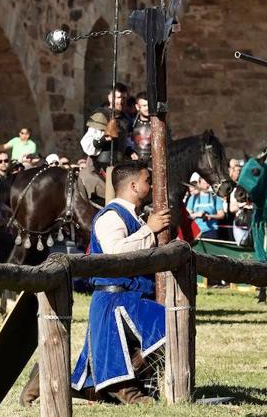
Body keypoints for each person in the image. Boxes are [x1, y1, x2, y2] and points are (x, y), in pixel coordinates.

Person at [28, 162, 170, 406]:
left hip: (132, 297)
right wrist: (149, 230)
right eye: (148, 180)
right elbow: (115, 253)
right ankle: (124, 387)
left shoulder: (135, 217)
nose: (152, 185)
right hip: (115, 300)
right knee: (169, 325)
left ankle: (46, 381)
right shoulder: (111, 216)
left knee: (91, 382)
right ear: (134, 186)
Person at [80, 84, 135, 207]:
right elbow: (87, 144)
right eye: (118, 97)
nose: (120, 101)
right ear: (110, 97)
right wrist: (103, 138)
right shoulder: (101, 115)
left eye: (124, 98)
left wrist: (130, 151)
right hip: (98, 169)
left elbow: (125, 144)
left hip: (118, 168)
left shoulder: (126, 119)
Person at [185, 173, 225, 238]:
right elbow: (187, 216)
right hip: (196, 231)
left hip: (211, 231)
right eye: (204, 183)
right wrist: (197, 214)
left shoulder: (215, 197)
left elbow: (221, 214)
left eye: (207, 183)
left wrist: (210, 216)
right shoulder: (193, 198)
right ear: (199, 184)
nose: (206, 186)